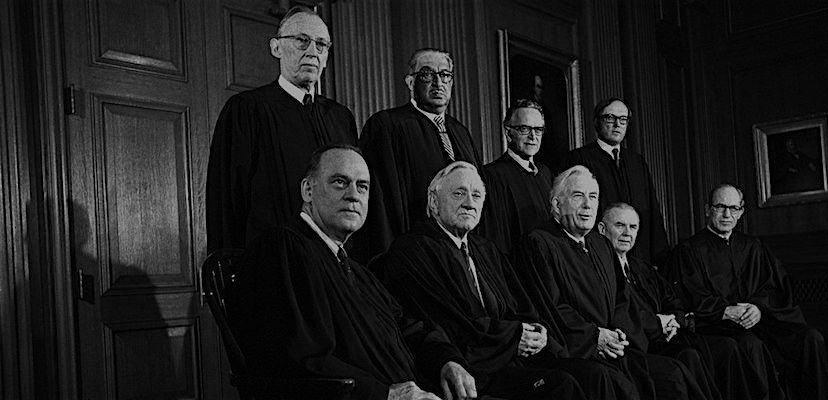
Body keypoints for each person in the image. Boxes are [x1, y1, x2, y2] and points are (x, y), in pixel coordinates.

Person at [228, 145, 477, 400]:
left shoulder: (355, 270)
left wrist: (446, 360)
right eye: (340, 182)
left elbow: (404, 327)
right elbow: (293, 358)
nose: (353, 195)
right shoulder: (281, 249)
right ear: (307, 190)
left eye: (362, 187)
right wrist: (386, 395)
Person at [375, 162, 640, 399]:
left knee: (594, 377)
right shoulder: (413, 249)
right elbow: (446, 321)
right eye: (459, 193)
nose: (469, 202)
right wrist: (513, 337)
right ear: (434, 202)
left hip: (510, 358)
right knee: (563, 386)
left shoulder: (485, 250)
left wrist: (535, 331)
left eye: (476, 195)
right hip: (470, 368)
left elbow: (520, 304)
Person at [515, 165, 710, 400]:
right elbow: (550, 307)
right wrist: (595, 337)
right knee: (622, 387)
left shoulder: (601, 244)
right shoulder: (539, 243)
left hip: (613, 347)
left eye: (593, 197)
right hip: (577, 350)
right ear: (557, 205)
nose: (588, 205)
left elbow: (622, 299)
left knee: (672, 374)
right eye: (578, 196)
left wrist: (621, 335)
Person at [206, 6, 358, 253]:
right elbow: (227, 199)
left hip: (333, 259)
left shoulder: (341, 118)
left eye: (321, 44)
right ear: (276, 48)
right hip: (272, 258)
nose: (312, 52)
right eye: (302, 40)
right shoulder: (247, 109)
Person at [667, 184, 828, 400]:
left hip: (762, 321)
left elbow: (775, 288)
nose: (727, 214)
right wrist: (725, 311)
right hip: (718, 325)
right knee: (750, 344)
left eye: (733, 208)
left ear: (741, 211)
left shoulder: (753, 246)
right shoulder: (689, 250)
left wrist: (758, 308)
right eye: (720, 207)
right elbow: (690, 296)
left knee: (810, 338)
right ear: (708, 209)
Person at [599, 203, 776, 400]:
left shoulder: (641, 267)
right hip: (639, 343)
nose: (627, 233)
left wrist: (674, 319)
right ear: (602, 229)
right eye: (619, 225)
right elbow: (618, 315)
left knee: (727, 347)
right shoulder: (600, 270)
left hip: (667, 335)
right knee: (689, 356)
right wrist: (657, 324)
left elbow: (672, 299)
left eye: (633, 227)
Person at [357, 48, 482, 262]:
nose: (438, 83)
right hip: (413, 253)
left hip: (459, 253)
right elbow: (381, 205)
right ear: (410, 82)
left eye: (444, 75)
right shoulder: (387, 126)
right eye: (426, 75)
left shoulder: (461, 133)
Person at [564, 98, 670, 266]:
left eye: (623, 119)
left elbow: (652, 210)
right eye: (610, 118)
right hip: (599, 255)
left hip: (638, 255)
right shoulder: (579, 158)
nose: (617, 124)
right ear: (597, 122)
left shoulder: (636, 161)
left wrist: (659, 257)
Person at [479, 99, 554, 254]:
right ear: (508, 133)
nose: (533, 136)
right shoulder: (492, 176)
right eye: (524, 129)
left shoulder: (545, 173)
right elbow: (496, 240)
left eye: (538, 129)